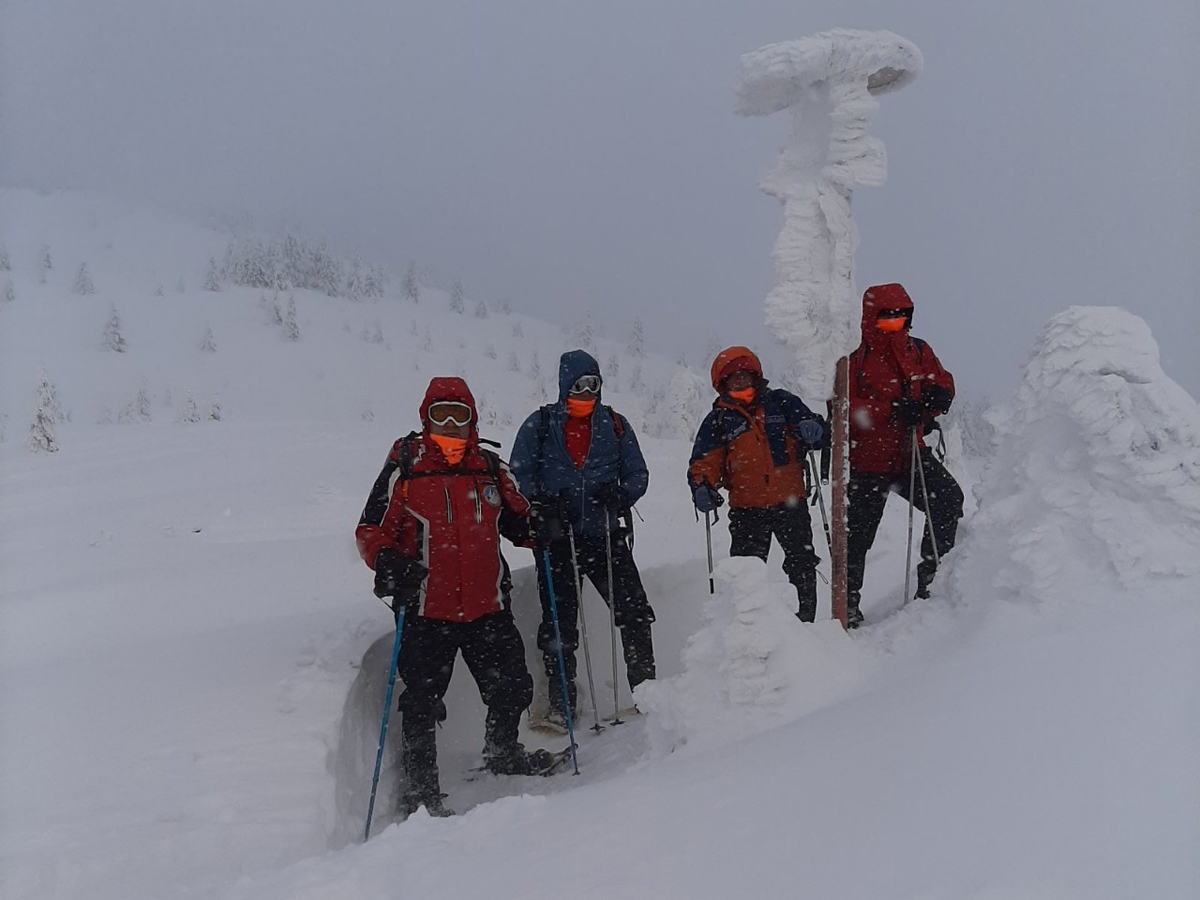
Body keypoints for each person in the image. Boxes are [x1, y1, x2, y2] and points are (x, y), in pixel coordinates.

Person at [355, 376, 555, 818]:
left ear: (473, 420)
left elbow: (517, 519)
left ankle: (502, 750)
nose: (450, 424)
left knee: (513, 687)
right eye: (440, 414)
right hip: (427, 609)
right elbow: (370, 529)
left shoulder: (489, 468)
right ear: (425, 419)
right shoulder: (405, 467)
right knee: (421, 704)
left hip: (488, 607)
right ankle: (420, 790)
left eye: (459, 415)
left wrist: (535, 529)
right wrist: (386, 561)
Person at [509, 350, 655, 728]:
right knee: (558, 625)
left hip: (605, 534)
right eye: (579, 385)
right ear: (564, 385)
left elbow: (637, 472)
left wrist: (623, 494)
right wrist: (541, 504)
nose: (586, 392)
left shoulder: (616, 425)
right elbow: (517, 477)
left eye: (593, 384)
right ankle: (562, 702)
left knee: (635, 613)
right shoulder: (540, 425)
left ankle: (647, 691)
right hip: (558, 540)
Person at [840, 283, 964, 628]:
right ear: (872, 318)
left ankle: (933, 582)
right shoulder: (855, 362)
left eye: (901, 315)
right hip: (869, 462)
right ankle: (846, 606)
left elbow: (941, 381)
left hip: (910, 454)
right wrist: (892, 411)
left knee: (949, 501)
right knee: (857, 537)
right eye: (888, 315)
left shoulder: (919, 350)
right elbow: (845, 408)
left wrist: (939, 396)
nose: (895, 321)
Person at [688, 346, 827, 621]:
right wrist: (702, 486)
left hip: (791, 502)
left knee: (802, 564)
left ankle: (807, 622)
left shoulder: (782, 402)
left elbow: (815, 429)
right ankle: (748, 632)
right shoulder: (718, 420)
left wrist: (813, 428)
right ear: (722, 384)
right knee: (745, 577)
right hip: (747, 510)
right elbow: (704, 463)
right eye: (733, 378)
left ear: (756, 376)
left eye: (745, 375)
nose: (740, 381)